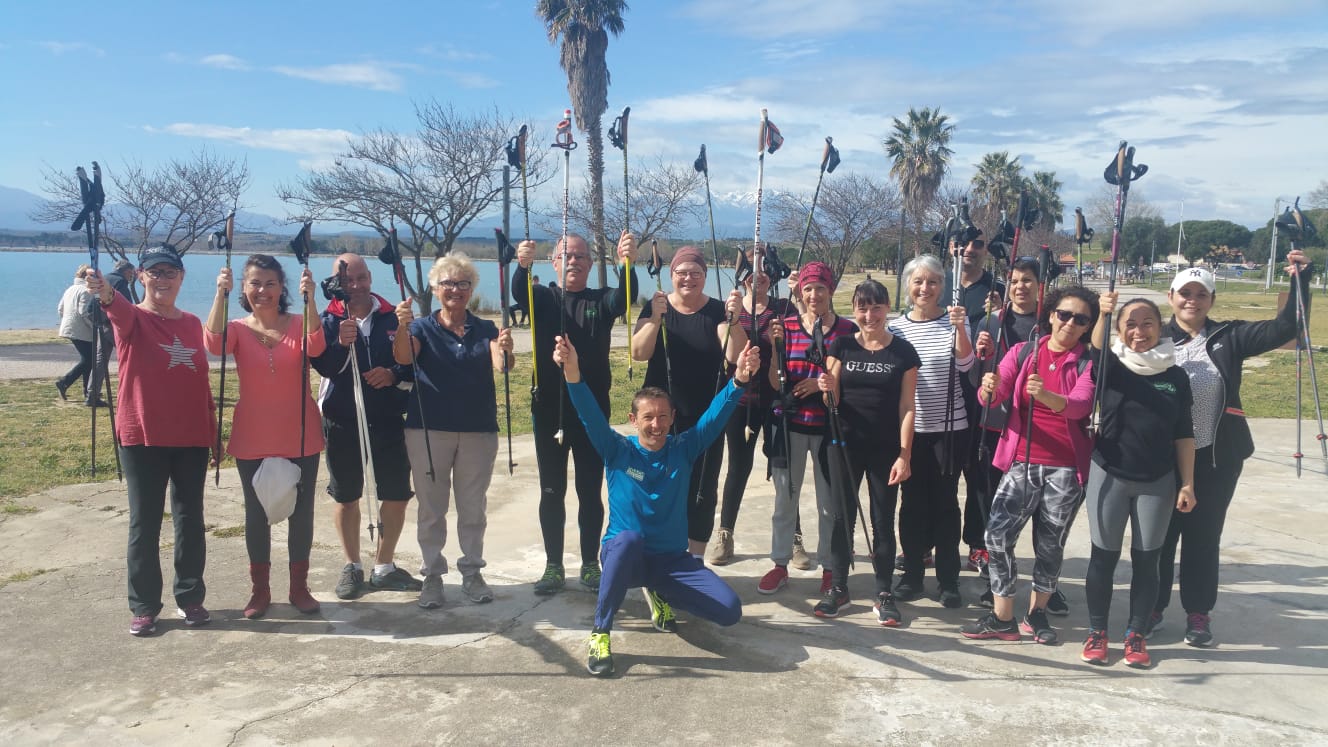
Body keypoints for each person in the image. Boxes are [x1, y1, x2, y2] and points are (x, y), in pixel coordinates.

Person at [555, 333, 759, 677]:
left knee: (730, 611)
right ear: (633, 420)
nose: (657, 424)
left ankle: (660, 591)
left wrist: (738, 379)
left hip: (671, 561)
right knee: (629, 539)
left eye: (663, 417)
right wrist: (572, 372)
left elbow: (713, 418)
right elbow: (589, 414)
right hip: (625, 556)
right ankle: (601, 632)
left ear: (672, 418)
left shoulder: (683, 448)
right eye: (648, 417)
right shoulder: (617, 449)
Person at [1152, 252, 1310, 647]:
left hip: (1216, 456)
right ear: (1171, 297)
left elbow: (1286, 326)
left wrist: (1299, 280)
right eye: (1185, 292)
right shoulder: (1155, 337)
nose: (1192, 299)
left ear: (1212, 299)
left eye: (1200, 293)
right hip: (1163, 458)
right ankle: (1151, 608)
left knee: (1203, 537)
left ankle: (1198, 614)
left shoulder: (1229, 337)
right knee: (1159, 537)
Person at [85, 245, 215, 636]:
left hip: (192, 436)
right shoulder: (133, 318)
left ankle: (190, 597)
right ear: (141, 276)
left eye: (169, 272)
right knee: (145, 522)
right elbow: (114, 307)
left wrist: (212, 429)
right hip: (142, 434)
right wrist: (104, 289)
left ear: (181, 277)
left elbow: (200, 381)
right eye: (154, 272)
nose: (162, 279)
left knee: (190, 520)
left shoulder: (193, 323)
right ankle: (143, 605)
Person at [962, 286, 1098, 645]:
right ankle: (1003, 616)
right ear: (1051, 315)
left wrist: (1047, 396)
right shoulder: (1024, 353)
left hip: (1067, 469)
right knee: (996, 537)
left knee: (1050, 544)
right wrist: (987, 386)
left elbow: (1080, 405)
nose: (1070, 323)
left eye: (1080, 319)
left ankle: (1037, 612)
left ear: (1087, 327)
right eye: (1064, 314)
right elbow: (996, 390)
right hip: (1022, 461)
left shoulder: (1088, 363)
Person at [512, 232, 637, 594]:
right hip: (548, 409)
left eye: (581, 256)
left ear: (590, 264)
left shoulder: (600, 300)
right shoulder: (544, 298)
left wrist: (627, 263)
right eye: (567, 255)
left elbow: (625, 296)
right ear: (554, 262)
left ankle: (588, 563)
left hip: (592, 413)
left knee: (588, 490)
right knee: (551, 490)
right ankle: (553, 565)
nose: (574, 261)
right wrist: (522, 265)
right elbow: (521, 292)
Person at [206, 254, 326, 619]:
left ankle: (298, 587)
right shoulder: (239, 329)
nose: (263, 290)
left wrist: (311, 299)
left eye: (270, 283)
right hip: (252, 433)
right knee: (256, 513)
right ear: (243, 287)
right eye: (255, 283)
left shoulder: (298, 321)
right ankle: (260, 590)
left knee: (300, 512)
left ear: (282, 287)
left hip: (301, 431)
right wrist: (219, 295)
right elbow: (214, 344)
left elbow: (317, 347)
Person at [1081, 294, 1196, 668]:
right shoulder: (1111, 366)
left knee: (1148, 561)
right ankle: (1098, 631)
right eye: (1130, 324)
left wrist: (1187, 483)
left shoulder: (1176, 376)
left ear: (1160, 327)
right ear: (1119, 330)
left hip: (1157, 481)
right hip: (1109, 474)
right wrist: (1103, 311)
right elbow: (1096, 349)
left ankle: (1135, 634)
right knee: (1104, 557)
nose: (1139, 331)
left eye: (1147, 323)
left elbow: (1184, 433)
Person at [393, 253, 514, 608]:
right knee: (432, 507)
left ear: (472, 289)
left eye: (463, 283)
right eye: (448, 283)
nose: (455, 290)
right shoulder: (420, 328)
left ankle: (472, 572)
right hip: (428, 431)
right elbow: (403, 358)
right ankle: (432, 575)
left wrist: (506, 350)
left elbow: (502, 364)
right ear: (435, 287)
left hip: (478, 431)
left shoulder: (486, 328)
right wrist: (402, 326)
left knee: (472, 507)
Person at [311, 253, 420, 601]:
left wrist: (392, 374)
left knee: (397, 494)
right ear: (335, 284)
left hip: (388, 417)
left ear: (370, 277)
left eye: (361, 278)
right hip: (342, 419)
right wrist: (341, 343)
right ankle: (352, 565)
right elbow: (323, 365)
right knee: (346, 496)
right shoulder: (327, 320)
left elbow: (411, 363)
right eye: (346, 281)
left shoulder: (392, 316)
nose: (355, 286)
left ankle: (384, 566)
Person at [969, 258, 1072, 615]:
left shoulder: (1054, 323)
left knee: (1047, 521)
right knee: (995, 512)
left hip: (1044, 438)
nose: (1020, 287)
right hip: (997, 429)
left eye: (1028, 280)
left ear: (1041, 285)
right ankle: (993, 582)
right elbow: (977, 382)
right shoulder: (989, 322)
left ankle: (1048, 587)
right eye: (1014, 280)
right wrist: (981, 356)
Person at [813, 279, 918, 624]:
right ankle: (838, 587)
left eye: (876, 307)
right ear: (854, 309)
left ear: (888, 308)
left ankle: (884, 591)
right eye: (862, 307)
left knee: (882, 521)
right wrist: (826, 388)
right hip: (843, 445)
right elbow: (833, 401)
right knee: (841, 517)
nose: (869, 314)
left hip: (885, 448)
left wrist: (905, 454)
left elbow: (907, 406)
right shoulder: (841, 345)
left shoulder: (903, 352)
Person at [632, 245, 746, 557]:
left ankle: (694, 560)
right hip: (659, 418)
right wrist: (655, 318)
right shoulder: (655, 307)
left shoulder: (718, 311)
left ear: (704, 277)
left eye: (696, 273)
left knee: (702, 489)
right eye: (681, 273)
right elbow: (638, 353)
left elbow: (735, 355)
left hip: (706, 417)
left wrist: (735, 322)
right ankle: (658, 553)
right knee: (658, 486)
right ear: (671, 276)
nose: (688, 279)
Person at [755, 262, 856, 595]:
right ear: (800, 291)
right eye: (808, 288)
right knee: (786, 498)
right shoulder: (784, 326)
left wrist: (820, 385)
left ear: (830, 291)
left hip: (829, 427)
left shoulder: (846, 330)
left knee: (829, 502)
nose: (814, 295)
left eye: (821, 289)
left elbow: (850, 380)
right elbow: (774, 381)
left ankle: (829, 566)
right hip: (791, 425)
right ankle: (780, 563)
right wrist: (776, 349)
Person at [888, 254, 974, 608]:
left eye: (933, 282)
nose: (925, 288)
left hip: (949, 429)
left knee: (945, 505)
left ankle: (949, 579)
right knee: (911, 505)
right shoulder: (895, 328)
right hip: (910, 431)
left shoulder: (953, 322)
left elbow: (967, 364)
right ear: (908, 285)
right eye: (918, 281)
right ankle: (911, 576)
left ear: (943, 287)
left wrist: (960, 329)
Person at [706, 249, 796, 566]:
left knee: (784, 469)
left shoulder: (785, 308)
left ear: (772, 275)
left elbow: (799, 342)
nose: (757, 276)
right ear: (740, 275)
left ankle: (793, 537)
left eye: (764, 270)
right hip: (740, 402)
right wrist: (731, 320)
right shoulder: (728, 309)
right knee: (738, 468)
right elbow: (731, 355)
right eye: (750, 270)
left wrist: (783, 332)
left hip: (776, 400)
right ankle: (725, 533)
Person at [55, 265, 100, 404]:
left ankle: (87, 391)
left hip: (71, 328)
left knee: (89, 360)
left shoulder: (70, 289)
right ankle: (65, 382)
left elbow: (60, 309)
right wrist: (95, 327)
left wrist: (67, 321)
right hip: (82, 331)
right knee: (89, 360)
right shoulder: (86, 291)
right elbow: (84, 312)